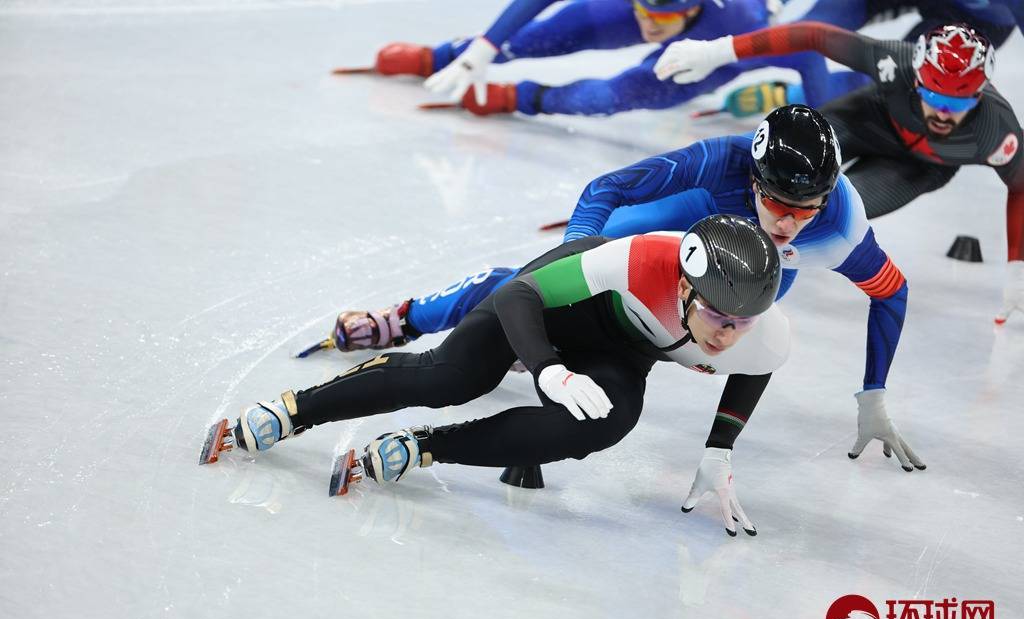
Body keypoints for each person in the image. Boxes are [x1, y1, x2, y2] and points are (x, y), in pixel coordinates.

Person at [320, 105, 924, 472]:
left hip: (743, 275)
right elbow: (605, 189)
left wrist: (873, 393)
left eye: (807, 209)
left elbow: (891, 292)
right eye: (775, 202)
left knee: (667, 330)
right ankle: (413, 316)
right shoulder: (722, 161)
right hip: (680, 226)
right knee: (552, 285)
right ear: (753, 177)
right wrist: (577, 252)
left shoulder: (843, 230)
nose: (789, 221)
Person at [207, 215, 789, 537]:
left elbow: (755, 368)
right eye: (716, 315)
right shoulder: (635, 261)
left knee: (604, 422)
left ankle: (425, 448)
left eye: (742, 322)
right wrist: (549, 368)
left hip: (619, 349)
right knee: (452, 378)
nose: (726, 334)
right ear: (686, 285)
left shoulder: (759, 330)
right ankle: (294, 411)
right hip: (551, 303)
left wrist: (719, 449)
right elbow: (517, 295)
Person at [655, 23, 1024, 322]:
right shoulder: (897, 60)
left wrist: (1016, 267)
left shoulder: (997, 131)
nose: (943, 113)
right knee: (771, 170)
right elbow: (814, 35)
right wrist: (718, 50)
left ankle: (733, 293)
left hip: (916, 168)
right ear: (916, 80)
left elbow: (1020, 186)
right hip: (867, 121)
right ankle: (666, 227)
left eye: (957, 103)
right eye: (934, 97)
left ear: (979, 95)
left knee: (813, 218)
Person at [338, 0, 836, 117]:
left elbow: (812, 56)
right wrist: (484, 47)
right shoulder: (647, 8)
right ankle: (437, 58)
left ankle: (521, 98)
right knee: (542, 36)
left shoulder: (744, 25)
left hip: (717, 44)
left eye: (661, 20)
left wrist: (827, 144)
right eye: (643, 8)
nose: (648, 24)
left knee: (614, 96)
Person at [708, 0, 1024, 118]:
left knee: (893, 82)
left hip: (973, 22)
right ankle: (700, 68)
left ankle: (789, 94)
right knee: (804, 32)